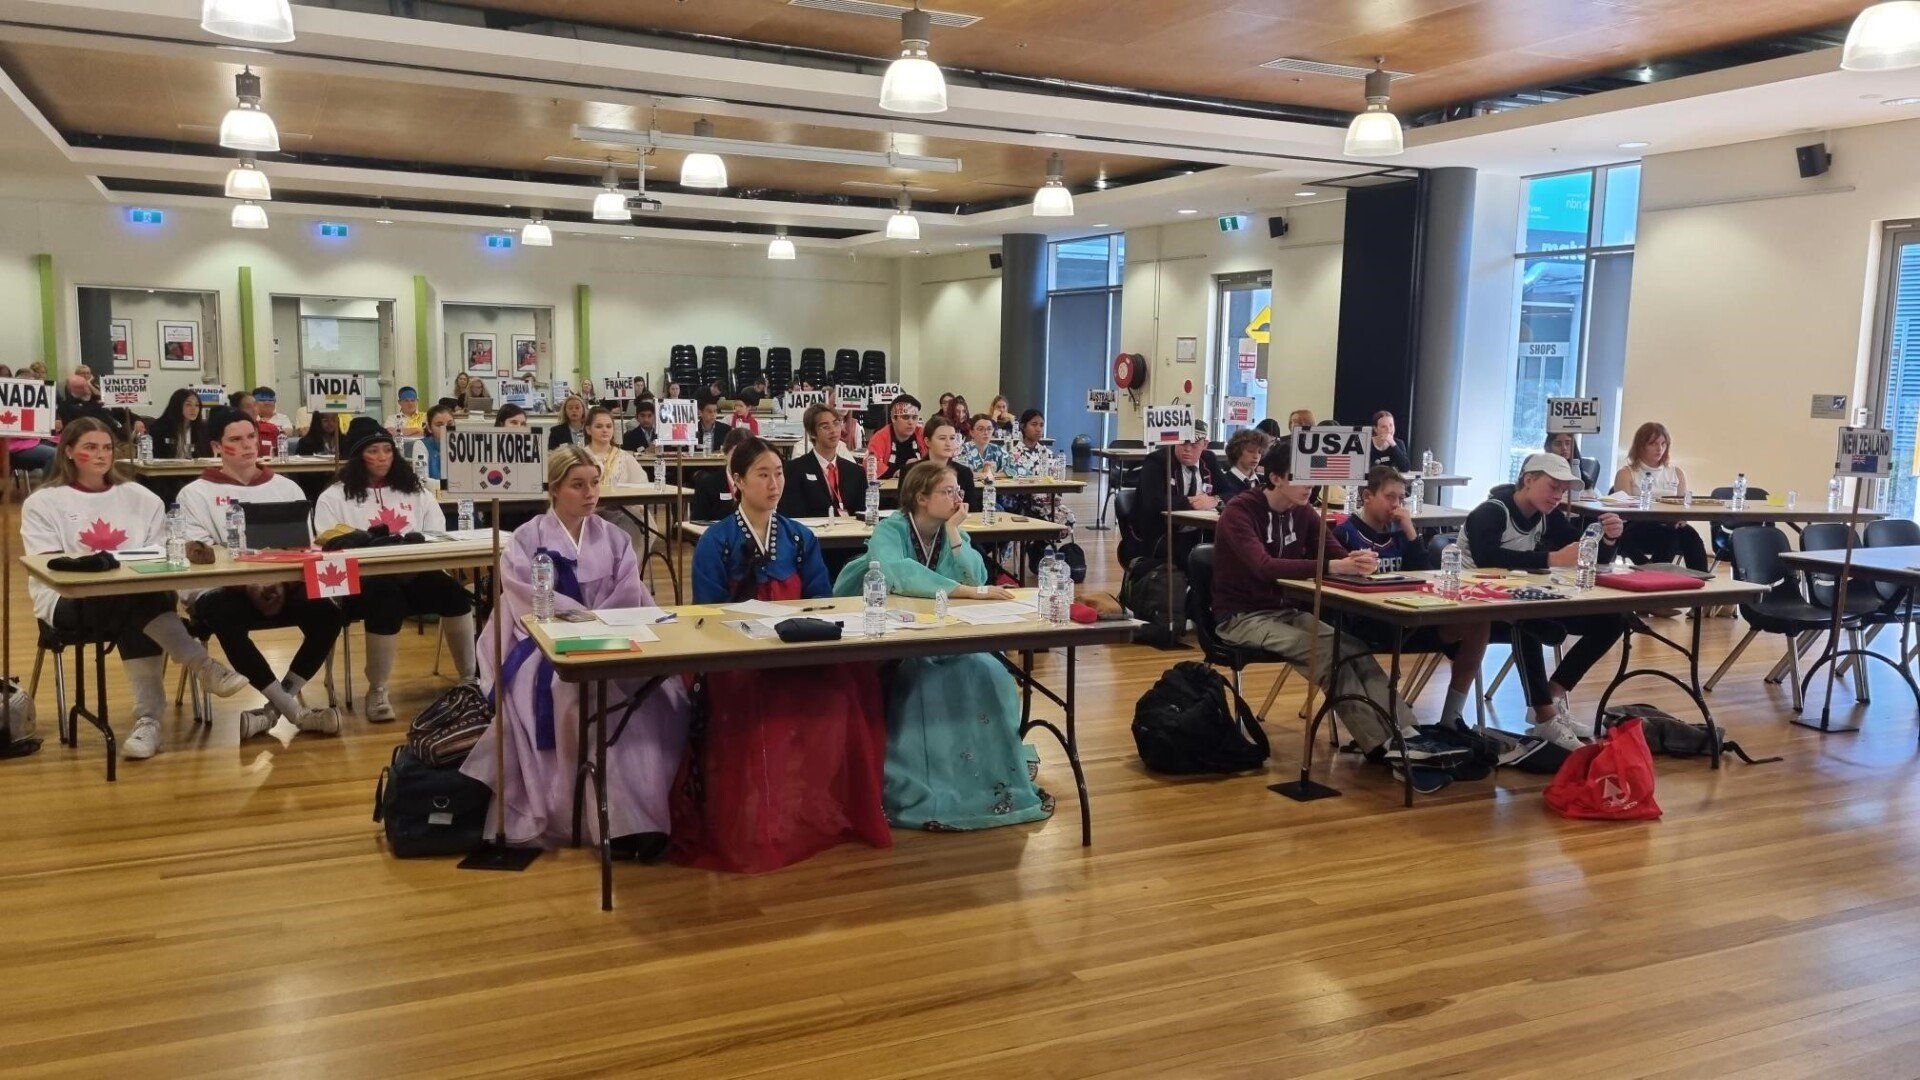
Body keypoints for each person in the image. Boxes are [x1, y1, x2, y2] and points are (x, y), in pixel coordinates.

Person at [460, 445, 692, 854]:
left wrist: (601, 624)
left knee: (657, 695)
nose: (590, 494)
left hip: (612, 636)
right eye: (578, 485)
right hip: (542, 643)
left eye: (594, 483)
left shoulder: (615, 537)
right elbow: (523, 599)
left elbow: (629, 595)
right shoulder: (526, 539)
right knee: (568, 693)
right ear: (554, 489)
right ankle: (585, 815)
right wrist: (581, 623)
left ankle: (642, 818)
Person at [676, 436, 889, 873]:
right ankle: (751, 818)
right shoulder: (715, 541)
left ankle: (810, 807)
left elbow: (820, 602)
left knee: (846, 690)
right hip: (736, 656)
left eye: (779, 473)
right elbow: (709, 614)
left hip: (793, 649)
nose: (774, 483)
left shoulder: (798, 535)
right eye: (762, 474)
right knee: (751, 706)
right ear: (737, 482)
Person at [829, 461, 1051, 830]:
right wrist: (967, 592)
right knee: (926, 679)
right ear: (921, 497)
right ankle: (927, 780)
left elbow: (976, 575)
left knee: (988, 670)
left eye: (959, 492)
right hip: (884, 632)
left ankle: (984, 772)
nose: (957, 499)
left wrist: (953, 533)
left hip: (938, 629)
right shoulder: (891, 529)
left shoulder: (948, 531)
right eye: (947, 492)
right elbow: (896, 572)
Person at [1213, 441, 1464, 765]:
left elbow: (1337, 555)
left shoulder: (1303, 512)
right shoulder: (1239, 511)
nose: (1312, 487)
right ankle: (1381, 746)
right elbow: (1263, 567)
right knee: (1327, 656)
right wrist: (1335, 566)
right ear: (1275, 478)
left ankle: (1410, 733)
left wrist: (1358, 560)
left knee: (1355, 649)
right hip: (1239, 617)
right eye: (1301, 479)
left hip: (1284, 611)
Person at [22, 418, 251, 759]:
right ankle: (195, 671)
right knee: (142, 601)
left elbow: (161, 554)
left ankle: (149, 723)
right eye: (90, 447)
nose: (101, 455)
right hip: (68, 601)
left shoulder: (141, 497)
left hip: (135, 597)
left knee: (140, 602)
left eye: (106, 447)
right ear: (68, 452)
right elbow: (48, 567)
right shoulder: (43, 502)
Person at [174, 407, 344, 739]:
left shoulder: (286, 487)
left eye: (252, 436)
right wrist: (247, 582)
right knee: (222, 614)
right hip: (226, 590)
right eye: (236, 439)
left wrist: (280, 579)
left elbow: (303, 546)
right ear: (217, 447)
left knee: (329, 613)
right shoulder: (195, 493)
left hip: (283, 585)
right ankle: (296, 711)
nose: (249, 445)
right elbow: (199, 553)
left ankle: (274, 708)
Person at [311, 419, 478, 720]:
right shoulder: (334, 496)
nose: (382, 457)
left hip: (414, 573)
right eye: (373, 451)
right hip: (363, 583)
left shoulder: (414, 489)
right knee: (384, 596)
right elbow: (328, 546)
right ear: (358, 457)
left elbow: (436, 531)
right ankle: (377, 688)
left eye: (387, 450)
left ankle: (469, 677)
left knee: (454, 593)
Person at [1463, 452, 1627, 746]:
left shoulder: (1546, 517)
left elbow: (1586, 554)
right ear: (1528, 480)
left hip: (1520, 600)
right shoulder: (1490, 512)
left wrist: (1610, 539)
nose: (1558, 497)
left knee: (1612, 619)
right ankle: (1544, 717)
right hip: (1471, 606)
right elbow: (1487, 558)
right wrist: (1551, 558)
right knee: (1528, 620)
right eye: (1553, 487)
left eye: (1563, 491)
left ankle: (1551, 695)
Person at [1331, 467, 1491, 730]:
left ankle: (1452, 716)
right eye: (1389, 497)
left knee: (1479, 622)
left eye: (1401, 499)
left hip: (1408, 618)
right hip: (1367, 623)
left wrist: (1411, 531)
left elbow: (1426, 573)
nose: (1396, 505)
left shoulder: (1401, 534)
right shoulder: (1346, 533)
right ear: (1367, 497)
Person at [1609, 421, 1709, 571]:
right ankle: (1653, 572)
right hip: (1636, 526)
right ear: (1641, 446)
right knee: (1669, 535)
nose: (1659, 449)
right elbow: (1623, 512)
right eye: (1653, 444)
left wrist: (1681, 518)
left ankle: (1702, 579)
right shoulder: (1626, 473)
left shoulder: (1676, 473)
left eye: (1663, 444)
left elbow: (1683, 507)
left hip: (1669, 524)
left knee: (1691, 536)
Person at [1130, 428, 1221, 566]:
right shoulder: (1157, 461)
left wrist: (1215, 500)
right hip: (1162, 531)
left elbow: (1230, 491)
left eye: (1194, 445)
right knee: (1194, 558)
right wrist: (1191, 502)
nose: (1187, 449)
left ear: (1205, 444)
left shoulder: (1209, 459)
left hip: (1200, 531)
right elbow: (1153, 501)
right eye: (1182, 443)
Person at [580, 406, 650, 490]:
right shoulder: (580, 457)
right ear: (588, 429)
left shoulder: (625, 458)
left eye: (608, 426)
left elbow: (641, 486)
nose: (605, 430)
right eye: (599, 426)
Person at [691, 426, 752, 521]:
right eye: (736, 454)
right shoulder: (707, 485)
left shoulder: (760, 484)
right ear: (725, 453)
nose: (741, 460)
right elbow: (697, 524)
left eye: (747, 456)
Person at [921, 413, 978, 511]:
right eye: (942, 438)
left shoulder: (964, 473)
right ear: (927, 442)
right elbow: (905, 510)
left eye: (952, 438)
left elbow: (972, 510)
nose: (948, 443)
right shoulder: (911, 471)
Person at [867, 394, 926, 479]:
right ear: (893, 418)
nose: (911, 422)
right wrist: (899, 472)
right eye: (905, 417)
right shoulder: (880, 437)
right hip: (889, 488)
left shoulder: (922, 434)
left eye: (914, 417)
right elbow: (871, 466)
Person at [56, 372, 123, 441]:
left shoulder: (96, 399)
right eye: (80, 387)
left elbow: (121, 412)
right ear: (70, 390)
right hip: (99, 437)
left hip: (120, 431)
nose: (85, 389)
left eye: (86, 386)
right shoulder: (68, 407)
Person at [150, 388, 209, 459]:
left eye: (197, 405)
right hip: (166, 468)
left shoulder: (202, 429)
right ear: (177, 405)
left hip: (194, 468)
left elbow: (204, 457)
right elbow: (156, 457)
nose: (194, 409)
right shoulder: (159, 428)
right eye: (188, 404)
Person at [1214, 428, 1271, 500]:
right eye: (1250, 451)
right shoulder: (1223, 482)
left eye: (1259, 452)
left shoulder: (1265, 481)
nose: (1256, 456)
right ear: (1237, 451)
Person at [958, 414, 1011, 478]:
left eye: (989, 429)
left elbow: (1018, 468)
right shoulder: (963, 449)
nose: (986, 432)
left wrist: (994, 474)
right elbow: (957, 472)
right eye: (980, 429)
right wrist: (983, 474)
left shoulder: (996, 449)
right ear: (971, 432)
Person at [1005, 409, 1048, 476]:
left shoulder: (1047, 453)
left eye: (1041, 425)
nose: (1039, 429)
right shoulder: (1012, 453)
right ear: (1023, 426)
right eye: (1034, 424)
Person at [420, 403, 454, 482]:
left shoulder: (463, 444)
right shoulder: (422, 445)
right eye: (439, 425)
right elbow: (422, 480)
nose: (446, 428)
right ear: (429, 428)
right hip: (433, 493)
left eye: (450, 424)